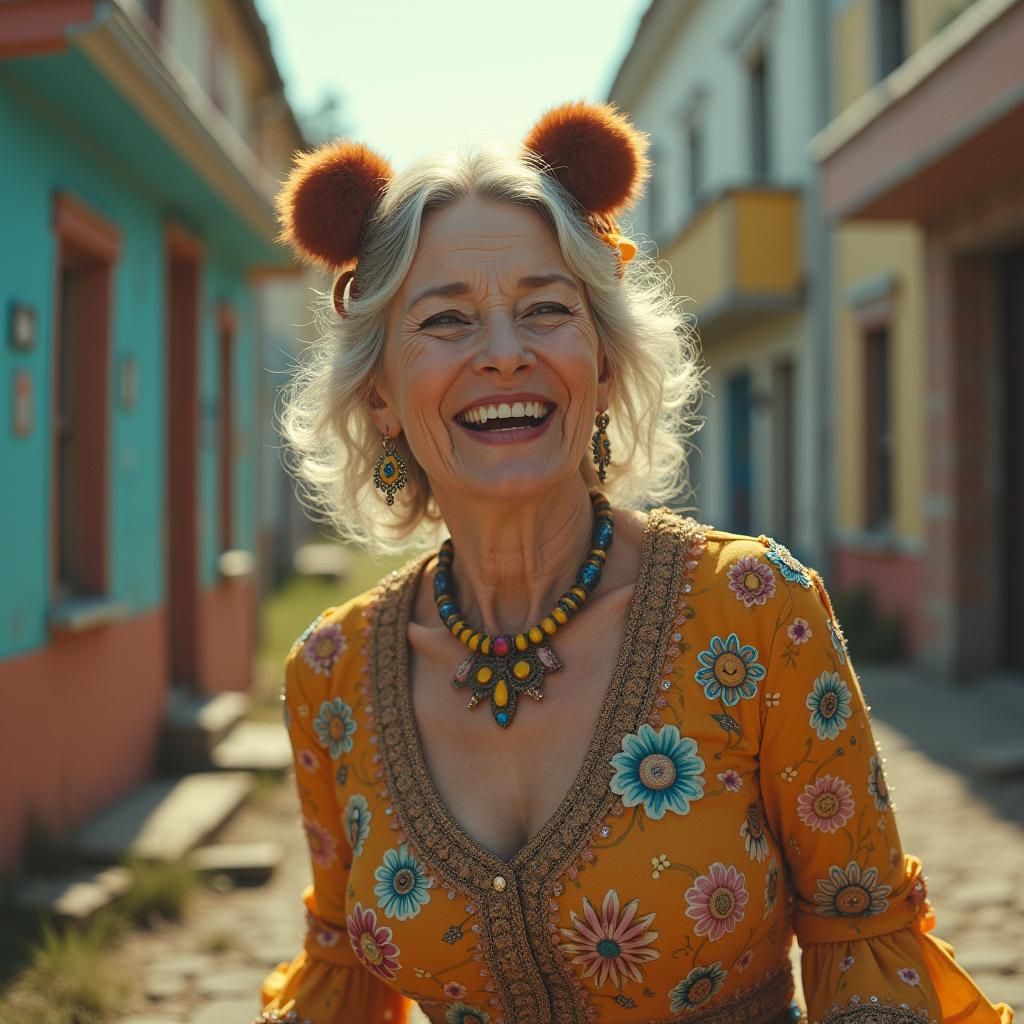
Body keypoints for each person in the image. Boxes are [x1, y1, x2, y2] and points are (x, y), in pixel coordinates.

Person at [256, 102, 1013, 1024]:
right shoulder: (330, 677)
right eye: (447, 321)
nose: (505, 355)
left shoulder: (757, 611)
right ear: (378, 395)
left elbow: (866, 964)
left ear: (605, 365)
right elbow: (340, 980)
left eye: (546, 310)